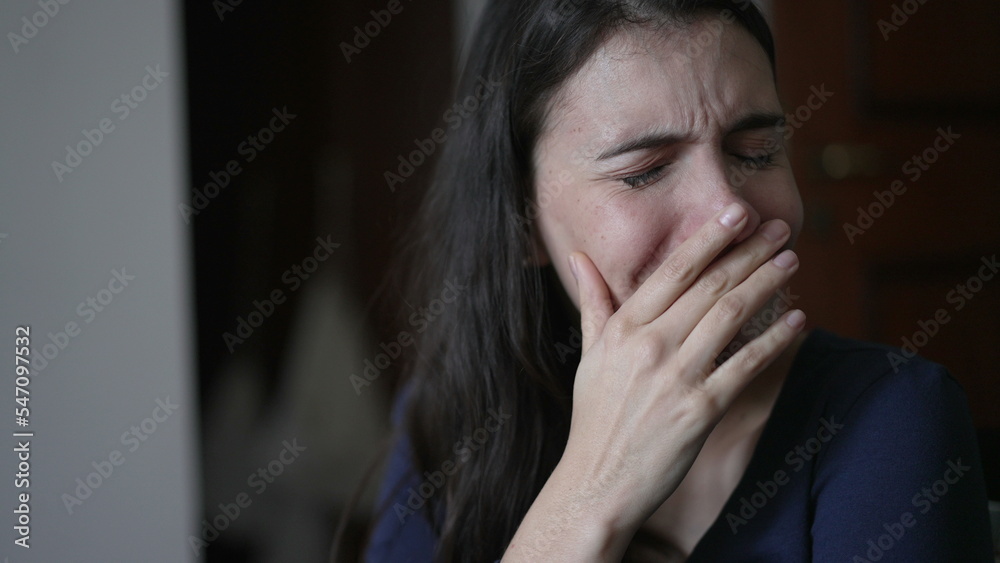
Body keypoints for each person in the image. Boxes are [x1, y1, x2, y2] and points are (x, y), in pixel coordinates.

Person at [357, 0, 994, 561]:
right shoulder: (452, 420)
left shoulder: (893, 418)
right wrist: (592, 491)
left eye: (756, 152)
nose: (731, 211)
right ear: (522, 225)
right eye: (645, 170)